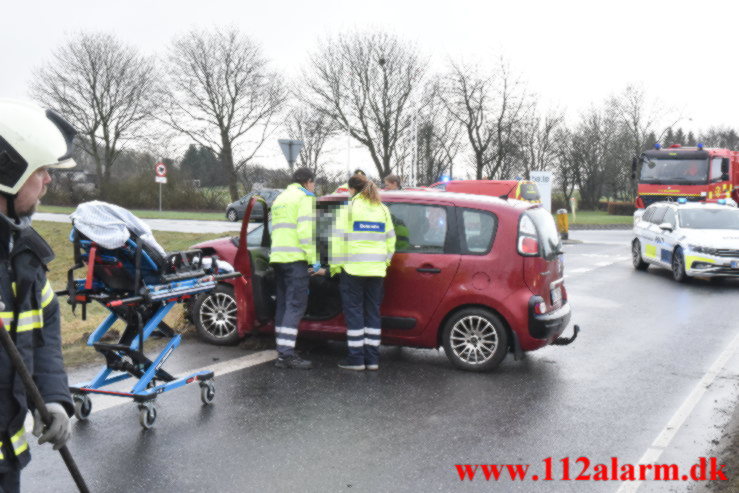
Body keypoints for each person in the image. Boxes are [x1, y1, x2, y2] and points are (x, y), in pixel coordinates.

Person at [0, 99, 76, 492]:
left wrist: (53, 399)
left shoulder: (24, 257)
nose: (48, 180)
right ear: (8, 171)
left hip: (7, 465)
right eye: (41, 170)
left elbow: (44, 337)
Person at [330, 175, 395, 370]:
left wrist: (334, 267)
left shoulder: (348, 209)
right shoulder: (382, 209)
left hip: (353, 269)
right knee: (372, 312)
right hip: (376, 271)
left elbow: (337, 241)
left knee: (355, 313)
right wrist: (384, 262)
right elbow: (391, 240)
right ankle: (373, 359)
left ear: (352, 190)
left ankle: (356, 359)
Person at [270, 167, 319, 369]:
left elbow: (276, 229)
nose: (313, 186)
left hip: (278, 257)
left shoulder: (280, 198)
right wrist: (314, 260)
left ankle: (282, 349)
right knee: (296, 305)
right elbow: (306, 232)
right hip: (295, 259)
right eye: (313, 183)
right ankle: (286, 355)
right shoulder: (304, 198)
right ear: (307, 181)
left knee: (283, 304)